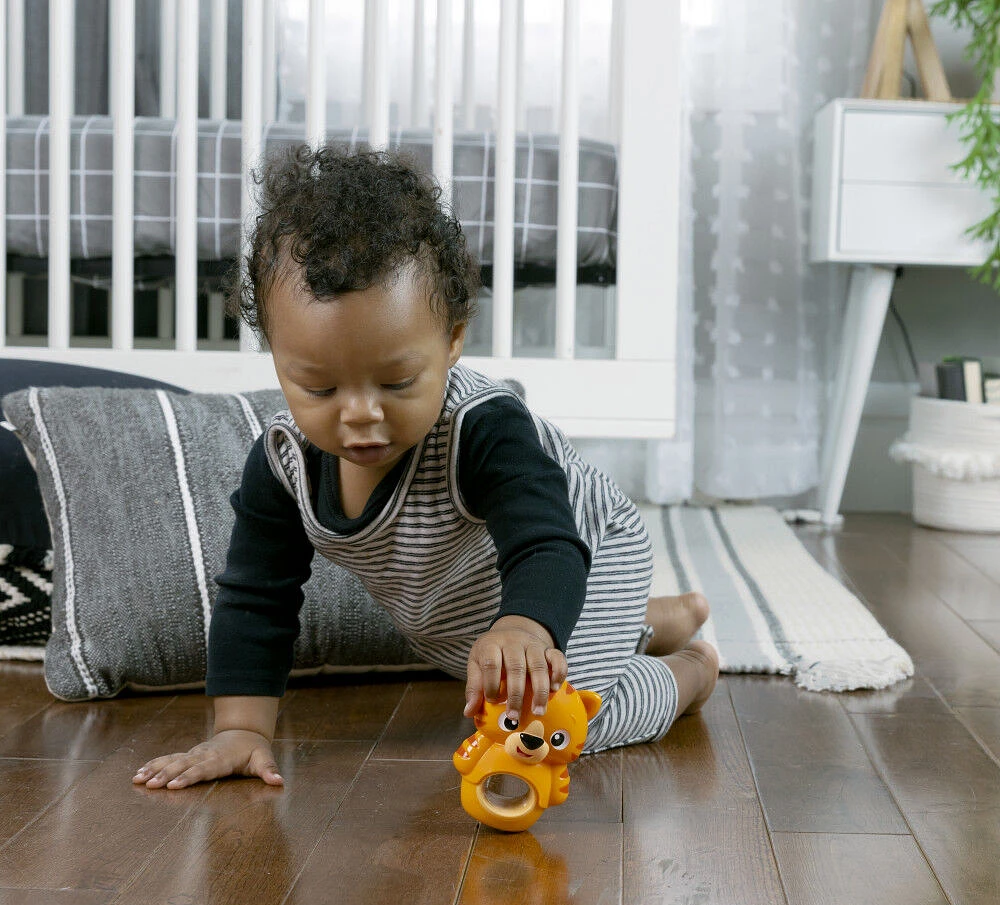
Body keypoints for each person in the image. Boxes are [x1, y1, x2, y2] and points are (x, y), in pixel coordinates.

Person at [133, 145, 718, 791]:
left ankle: (685, 672)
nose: (359, 414)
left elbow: (546, 540)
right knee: (502, 691)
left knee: (544, 732)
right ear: (276, 357)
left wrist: (527, 624)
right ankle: (645, 623)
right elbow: (256, 596)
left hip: (578, 554)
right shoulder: (281, 463)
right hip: (459, 608)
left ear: (454, 339)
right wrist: (239, 730)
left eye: (398, 381)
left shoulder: (483, 427)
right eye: (320, 389)